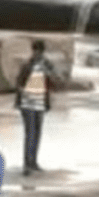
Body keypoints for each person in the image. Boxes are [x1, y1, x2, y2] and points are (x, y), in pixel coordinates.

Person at [14, 39, 60, 175]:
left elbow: (56, 80)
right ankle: (27, 164)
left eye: (39, 51)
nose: (37, 54)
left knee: (37, 133)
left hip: (40, 103)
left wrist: (50, 75)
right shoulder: (27, 65)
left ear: (42, 52)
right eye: (35, 51)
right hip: (27, 103)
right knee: (30, 133)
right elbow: (18, 82)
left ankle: (33, 162)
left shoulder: (47, 65)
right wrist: (21, 91)